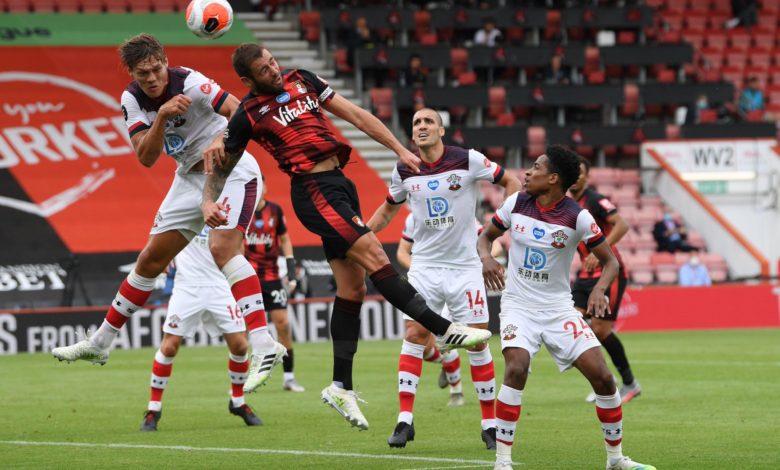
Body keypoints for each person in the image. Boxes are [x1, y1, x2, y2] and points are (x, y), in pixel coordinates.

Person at [211, 43, 492, 431]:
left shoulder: (302, 79)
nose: (273, 70)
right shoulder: (247, 114)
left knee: (353, 289)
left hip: (340, 185)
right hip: (313, 191)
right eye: (263, 69)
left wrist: (398, 148)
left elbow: (357, 116)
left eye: (272, 61)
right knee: (376, 255)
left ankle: (340, 386)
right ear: (247, 79)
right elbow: (221, 165)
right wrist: (208, 199)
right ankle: (444, 329)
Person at [52, 34, 286, 394]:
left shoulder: (190, 82)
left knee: (223, 249)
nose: (151, 78)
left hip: (233, 169)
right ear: (132, 73)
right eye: (142, 73)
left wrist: (220, 140)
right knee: (149, 260)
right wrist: (161, 115)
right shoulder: (132, 99)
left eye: (156, 69)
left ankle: (264, 344)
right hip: (189, 177)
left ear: (165, 61)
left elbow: (239, 110)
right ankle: (100, 342)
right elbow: (146, 157)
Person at [477, 145, 655, 470]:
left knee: (603, 378)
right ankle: (502, 462)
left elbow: (611, 262)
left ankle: (615, 460)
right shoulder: (516, 203)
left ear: (553, 178)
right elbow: (485, 237)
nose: (527, 172)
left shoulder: (578, 216)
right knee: (516, 368)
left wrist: (599, 290)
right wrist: (487, 258)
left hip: (558, 309)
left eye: (536, 167)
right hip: (519, 306)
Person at [368, 107, 522, 449]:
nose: (421, 126)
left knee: (477, 341)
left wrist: (495, 230)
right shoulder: (404, 168)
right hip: (424, 266)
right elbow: (387, 210)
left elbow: (511, 182)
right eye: (416, 123)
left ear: (441, 130)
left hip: (466, 266)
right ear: (412, 134)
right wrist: (360, 234)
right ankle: (404, 420)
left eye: (428, 122)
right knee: (415, 334)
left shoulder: (468, 159)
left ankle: (489, 425)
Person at [140, 226, 261, 432]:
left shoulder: (228, 211)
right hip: (187, 286)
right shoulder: (185, 208)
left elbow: (237, 245)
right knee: (169, 348)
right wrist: (159, 253)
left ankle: (238, 402)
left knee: (240, 346)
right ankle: (154, 409)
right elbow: (161, 226)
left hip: (220, 285)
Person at [568, 156, 641, 404]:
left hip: (610, 272)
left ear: (588, 177)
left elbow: (622, 225)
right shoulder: (566, 204)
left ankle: (629, 383)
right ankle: (604, 381)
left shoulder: (596, 200)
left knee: (600, 329)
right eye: (573, 172)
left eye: (580, 172)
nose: (576, 176)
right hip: (584, 275)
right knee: (571, 323)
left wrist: (600, 251)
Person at [244, 181, 305, 392]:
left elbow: (285, 240)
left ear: (265, 188)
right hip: (248, 279)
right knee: (243, 330)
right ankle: (241, 380)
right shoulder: (242, 211)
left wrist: (290, 269)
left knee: (283, 324)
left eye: (259, 185)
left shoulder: (275, 210)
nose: (257, 189)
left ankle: (289, 377)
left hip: (272, 277)